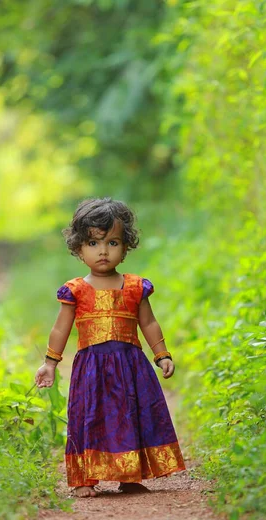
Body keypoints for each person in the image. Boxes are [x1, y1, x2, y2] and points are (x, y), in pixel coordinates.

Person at [35, 197, 185, 498]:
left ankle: (129, 475)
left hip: (131, 366)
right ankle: (84, 478)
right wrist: (50, 363)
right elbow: (60, 329)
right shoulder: (75, 291)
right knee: (91, 417)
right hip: (92, 369)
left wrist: (162, 354)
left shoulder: (135, 286)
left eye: (112, 242)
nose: (103, 251)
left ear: (126, 246)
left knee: (130, 415)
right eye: (93, 242)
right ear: (79, 248)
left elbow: (149, 323)